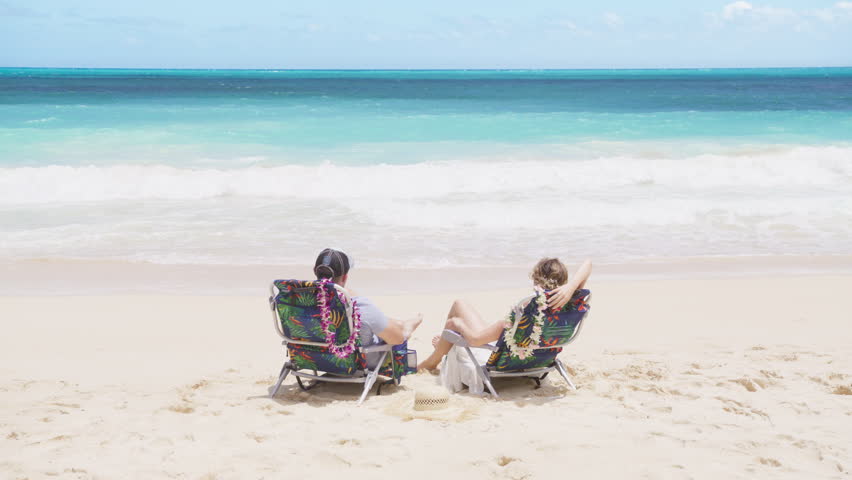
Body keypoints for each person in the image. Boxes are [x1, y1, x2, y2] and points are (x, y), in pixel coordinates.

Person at [417, 258, 592, 372]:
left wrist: (458, 326)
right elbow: (588, 264)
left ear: (536, 279)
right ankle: (439, 351)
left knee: (456, 314)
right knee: (460, 307)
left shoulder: (527, 309)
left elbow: (477, 340)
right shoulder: (570, 304)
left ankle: (433, 360)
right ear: (564, 281)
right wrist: (571, 288)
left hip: (506, 358)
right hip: (539, 356)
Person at [313, 248, 422, 368]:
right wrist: (403, 335)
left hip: (315, 359)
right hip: (358, 363)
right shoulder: (358, 305)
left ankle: (402, 324)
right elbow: (398, 340)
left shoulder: (297, 301)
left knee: (378, 323)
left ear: (315, 271)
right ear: (345, 277)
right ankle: (406, 327)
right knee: (399, 334)